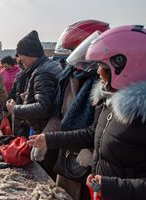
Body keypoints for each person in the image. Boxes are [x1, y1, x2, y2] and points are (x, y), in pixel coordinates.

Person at [29, 25, 146, 200]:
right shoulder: (110, 100)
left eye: (101, 66)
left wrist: (110, 186)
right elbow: (91, 133)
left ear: (123, 66)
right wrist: (49, 139)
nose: (98, 71)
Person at [43, 20, 110, 200]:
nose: (74, 56)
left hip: (92, 163)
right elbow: (60, 112)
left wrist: (91, 149)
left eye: (76, 50)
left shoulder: (106, 83)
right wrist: (47, 136)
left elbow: (103, 127)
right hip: (66, 151)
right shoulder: (69, 75)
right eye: (72, 52)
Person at [6, 30, 63, 179]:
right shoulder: (48, 66)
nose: (20, 59)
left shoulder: (42, 72)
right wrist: (28, 98)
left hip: (48, 131)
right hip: (53, 130)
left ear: (30, 53)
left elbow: (43, 107)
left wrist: (16, 109)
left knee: (45, 175)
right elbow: (49, 98)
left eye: (21, 55)